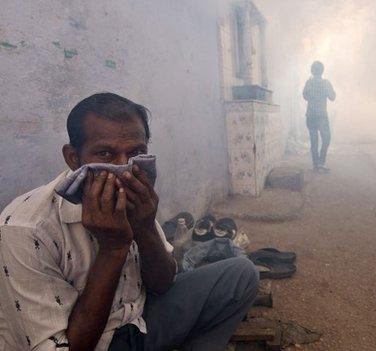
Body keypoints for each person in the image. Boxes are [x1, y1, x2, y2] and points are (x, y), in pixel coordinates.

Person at [0, 93, 259, 350]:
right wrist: (113, 248)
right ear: (73, 158)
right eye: (105, 153)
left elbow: (162, 283)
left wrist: (144, 227)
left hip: (139, 321)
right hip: (96, 342)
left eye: (136, 152)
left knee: (242, 274)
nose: (123, 168)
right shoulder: (26, 229)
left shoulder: (132, 197)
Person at [303, 61, 336, 172]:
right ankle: (321, 162)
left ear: (312, 71)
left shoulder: (308, 83)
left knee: (314, 140)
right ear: (322, 71)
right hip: (322, 116)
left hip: (311, 116)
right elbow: (332, 97)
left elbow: (305, 96)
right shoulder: (326, 83)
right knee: (326, 139)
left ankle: (316, 165)